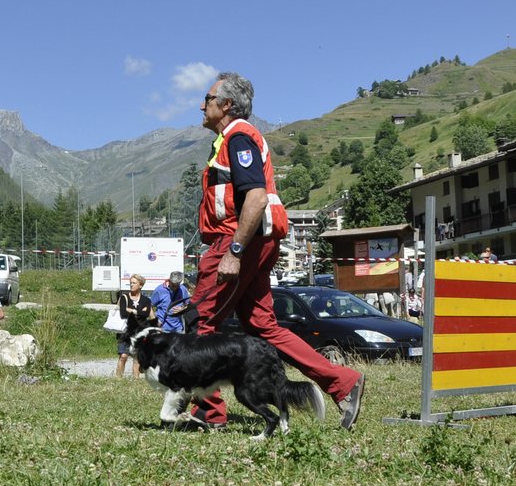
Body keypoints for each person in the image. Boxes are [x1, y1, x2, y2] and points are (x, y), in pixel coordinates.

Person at [190, 73, 364, 430]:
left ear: (226, 104)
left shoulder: (238, 137)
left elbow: (254, 196)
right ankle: (342, 382)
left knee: (199, 320)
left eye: (207, 98)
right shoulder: (232, 139)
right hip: (258, 240)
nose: (201, 104)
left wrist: (234, 251)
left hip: (238, 239)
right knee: (262, 325)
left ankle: (209, 412)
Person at [113, 274, 153, 379]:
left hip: (139, 332)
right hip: (125, 332)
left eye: (134, 283)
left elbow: (146, 314)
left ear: (140, 285)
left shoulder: (146, 300)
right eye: (130, 282)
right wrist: (139, 312)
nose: (131, 285)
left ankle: (136, 379)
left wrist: (131, 310)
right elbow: (123, 313)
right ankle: (118, 378)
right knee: (123, 356)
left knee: (136, 358)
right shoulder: (124, 297)